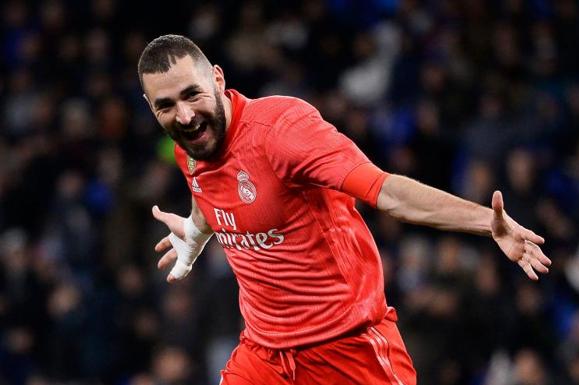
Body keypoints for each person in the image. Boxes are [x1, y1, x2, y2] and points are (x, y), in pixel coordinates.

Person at [138, 34, 551, 385]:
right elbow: (211, 193)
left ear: (217, 77)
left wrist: (485, 222)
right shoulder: (190, 148)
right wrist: (194, 234)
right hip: (264, 355)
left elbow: (386, 192)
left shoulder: (282, 132)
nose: (186, 115)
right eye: (167, 105)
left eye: (192, 94)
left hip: (347, 348)